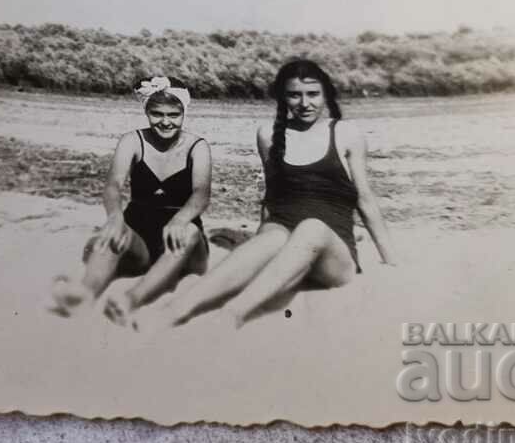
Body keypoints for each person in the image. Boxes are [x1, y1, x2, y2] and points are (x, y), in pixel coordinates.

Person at [130, 59, 395, 331]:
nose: (305, 103)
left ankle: (232, 314)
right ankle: (174, 311)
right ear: (283, 97)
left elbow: (365, 198)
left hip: (332, 256)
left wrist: (390, 260)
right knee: (270, 238)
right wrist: (261, 243)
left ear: (325, 93)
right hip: (285, 238)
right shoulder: (268, 134)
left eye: (313, 94)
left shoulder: (346, 134)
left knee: (311, 227)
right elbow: (273, 194)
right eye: (295, 95)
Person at [49, 76, 212, 321]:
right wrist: (114, 217)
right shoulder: (132, 141)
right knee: (113, 233)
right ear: (146, 112)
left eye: (173, 115)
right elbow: (114, 185)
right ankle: (84, 293)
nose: (165, 122)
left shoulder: (197, 146)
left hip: (183, 240)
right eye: (157, 114)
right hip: (141, 240)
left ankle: (129, 300)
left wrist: (180, 220)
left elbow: (201, 194)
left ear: (183, 113)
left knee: (188, 232)